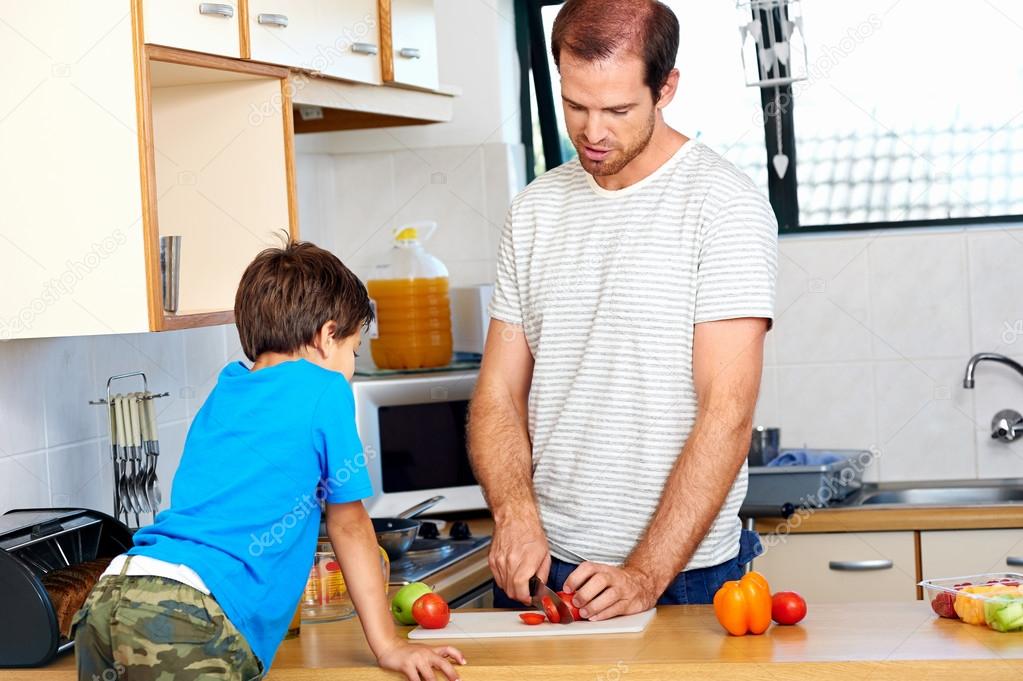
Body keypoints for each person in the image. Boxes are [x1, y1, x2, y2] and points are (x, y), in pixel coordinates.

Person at [468, 0, 778, 621]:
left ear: (666, 89)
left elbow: (728, 413)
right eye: (575, 106)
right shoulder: (534, 211)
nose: (593, 132)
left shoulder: (724, 206)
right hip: (542, 569)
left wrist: (644, 574)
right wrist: (515, 512)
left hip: (681, 576)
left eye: (617, 110)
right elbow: (499, 392)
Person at [72, 242, 465, 680]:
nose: (351, 367)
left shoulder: (226, 389)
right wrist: (388, 644)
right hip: (190, 616)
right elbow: (350, 524)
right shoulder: (325, 389)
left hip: (112, 595)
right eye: (354, 351)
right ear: (326, 336)